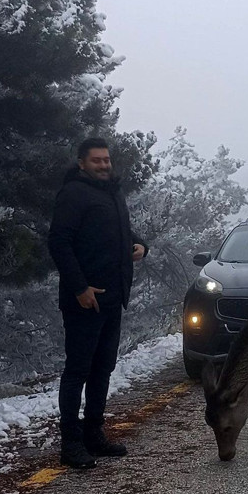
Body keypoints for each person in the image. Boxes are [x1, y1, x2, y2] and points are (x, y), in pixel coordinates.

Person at [48, 138, 149, 469]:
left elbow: (124, 232)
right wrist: (79, 288)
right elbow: (59, 242)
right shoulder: (73, 194)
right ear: (81, 163)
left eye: (107, 160)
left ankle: (94, 433)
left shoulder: (112, 193)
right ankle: (71, 444)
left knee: (102, 369)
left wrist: (139, 245)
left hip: (113, 298)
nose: (104, 165)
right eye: (97, 161)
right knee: (78, 370)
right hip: (84, 301)